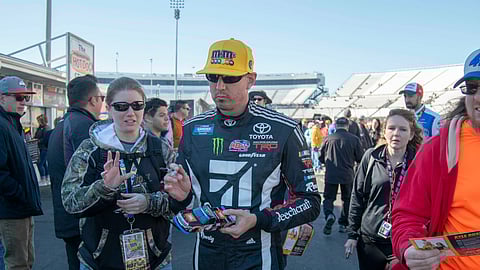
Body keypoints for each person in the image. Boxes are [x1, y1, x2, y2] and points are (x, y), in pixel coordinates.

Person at [164, 38, 321, 270]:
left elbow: (310, 202)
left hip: (260, 255)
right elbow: (182, 201)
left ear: (250, 80)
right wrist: (180, 197)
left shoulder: (284, 129)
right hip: (207, 254)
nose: (219, 87)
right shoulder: (192, 128)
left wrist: (260, 219)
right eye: (212, 77)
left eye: (229, 78)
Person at [62, 77, 186, 270]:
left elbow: (180, 201)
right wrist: (104, 188)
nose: (130, 113)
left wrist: (149, 202)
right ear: (109, 108)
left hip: (156, 259)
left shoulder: (160, 149)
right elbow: (70, 202)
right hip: (100, 260)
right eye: (121, 107)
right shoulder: (90, 149)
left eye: (137, 105)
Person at [392, 49, 480, 269]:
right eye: (472, 88)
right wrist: (409, 248)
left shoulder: (431, 117)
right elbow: (407, 215)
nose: (478, 96)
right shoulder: (437, 149)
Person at [344, 109, 422, 270]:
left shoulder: (419, 161)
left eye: (403, 129)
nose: (396, 133)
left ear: (412, 134)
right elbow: (357, 196)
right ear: (384, 131)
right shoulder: (370, 157)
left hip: (405, 240)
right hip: (371, 240)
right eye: (391, 128)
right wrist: (352, 234)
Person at [47, 75, 103, 270]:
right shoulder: (86, 128)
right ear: (93, 100)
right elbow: (91, 174)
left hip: (68, 218)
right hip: (82, 220)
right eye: (101, 98)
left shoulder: (62, 125)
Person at [0, 76, 43, 270]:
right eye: (18, 97)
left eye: (25, 97)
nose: (23, 102)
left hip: (21, 207)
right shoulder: (3, 125)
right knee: (17, 264)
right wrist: (18, 194)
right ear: (2, 98)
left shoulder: (12, 124)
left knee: (26, 261)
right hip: (12, 209)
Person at [319, 117, 364, 235]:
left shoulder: (328, 139)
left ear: (336, 125)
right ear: (347, 126)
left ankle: (329, 214)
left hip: (331, 173)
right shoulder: (354, 139)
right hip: (347, 173)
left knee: (329, 198)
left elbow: (320, 157)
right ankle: (343, 223)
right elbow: (360, 157)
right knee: (347, 198)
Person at [34, 114, 49, 185]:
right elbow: (36, 135)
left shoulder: (46, 128)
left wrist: (38, 141)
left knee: (40, 164)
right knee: (44, 164)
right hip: (40, 148)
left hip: (44, 148)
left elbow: (45, 139)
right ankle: (46, 178)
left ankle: (43, 178)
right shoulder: (40, 128)